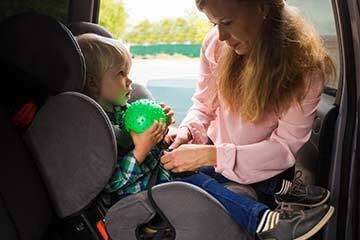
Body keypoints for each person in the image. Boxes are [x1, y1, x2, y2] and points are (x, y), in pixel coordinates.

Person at [76, 33, 333, 240]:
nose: (129, 81)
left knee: (216, 166)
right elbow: (111, 184)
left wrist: (161, 127)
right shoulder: (94, 128)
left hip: (160, 168)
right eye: (120, 74)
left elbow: (142, 133)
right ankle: (266, 223)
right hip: (148, 187)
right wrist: (141, 150)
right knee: (204, 180)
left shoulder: (122, 109)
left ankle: (280, 188)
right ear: (92, 83)